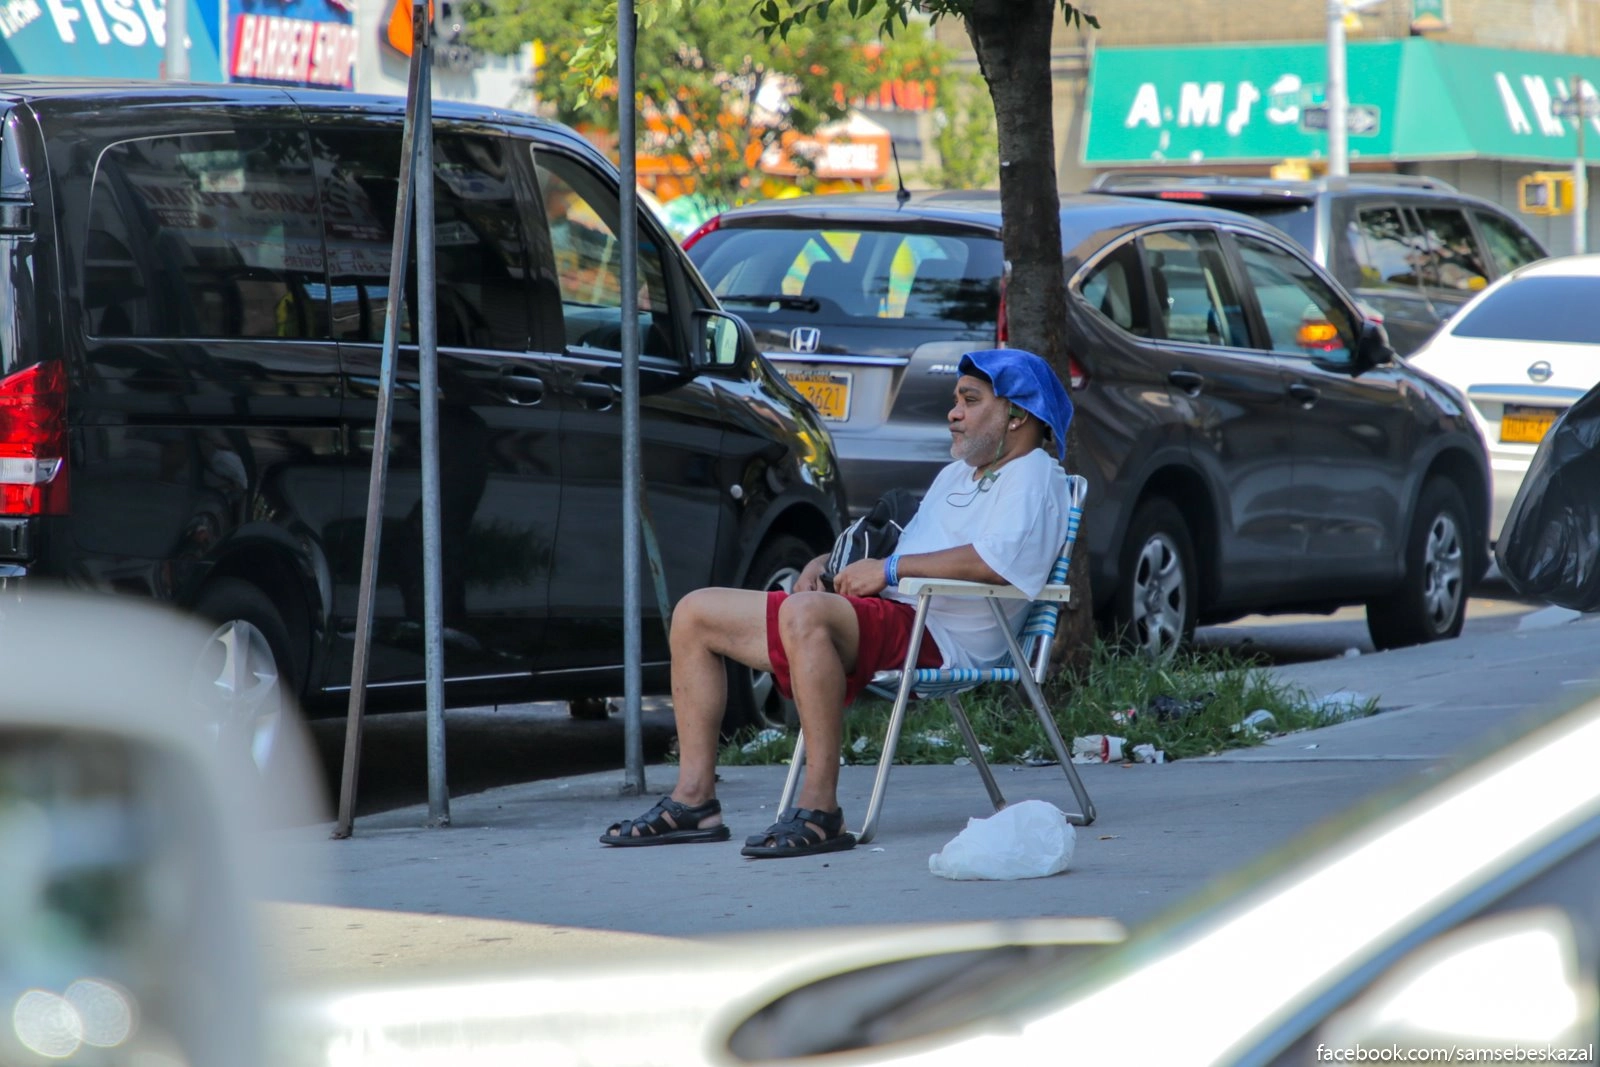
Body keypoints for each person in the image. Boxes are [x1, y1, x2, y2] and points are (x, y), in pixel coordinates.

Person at [600, 348, 1075, 858]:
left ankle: (821, 809)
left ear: (1018, 414)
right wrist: (827, 564)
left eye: (969, 400)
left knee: (804, 614)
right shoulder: (958, 476)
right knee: (696, 613)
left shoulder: (1034, 475)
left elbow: (995, 563)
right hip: (891, 616)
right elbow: (904, 546)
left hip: (940, 636)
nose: (953, 413)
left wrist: (889, 571)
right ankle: (694, 800)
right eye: (955, 400)